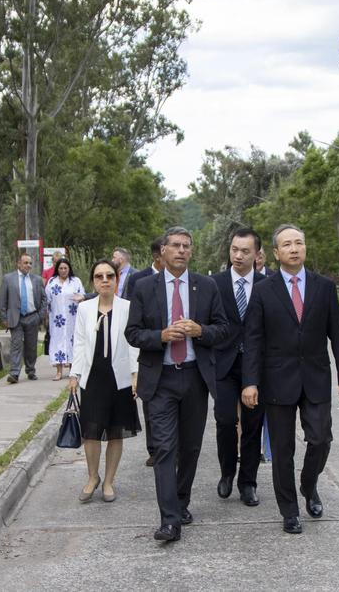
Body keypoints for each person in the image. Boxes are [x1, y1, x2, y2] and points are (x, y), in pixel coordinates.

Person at [242, 224, 339, 534]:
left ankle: (309, 484)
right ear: (276, 253)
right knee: (282, 450)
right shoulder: (263, 290)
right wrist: (249, 381)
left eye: (299, 243)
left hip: (316, 376)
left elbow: (338, 335)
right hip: (277, 380)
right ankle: (289, 510)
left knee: (320, 438)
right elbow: (253, 339)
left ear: (305, 248)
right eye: (287, 245)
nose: (294, 248)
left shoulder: (324, 287)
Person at [125, 226, 229, 543]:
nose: (181, 250)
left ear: (191, 252)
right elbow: (133, 333)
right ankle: (169, 520)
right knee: (164, 448)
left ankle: (180, 502)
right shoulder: (144, 287)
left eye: (187, 245)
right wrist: (160, 336)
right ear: (163, 251)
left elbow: (223, 330)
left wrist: (199, 331)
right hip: (161, 380)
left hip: (196, 377)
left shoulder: (206, 286)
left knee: (191, 448)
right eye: (175, 245)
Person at [69, 259, 141, 503]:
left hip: (119, 379)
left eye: (110, 275)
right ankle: (92, 477)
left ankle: (109, 481)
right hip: (93, 377)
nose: (105, 280)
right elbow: (79, 342)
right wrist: (74, 374)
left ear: (117, 279)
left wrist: (135, 374)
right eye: (99, 276)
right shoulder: (85, 309)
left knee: (115, 432)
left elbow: (134, 343)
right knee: (90, 431)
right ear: (93, 281)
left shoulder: (128, 308)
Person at [211, 228, 266, 507]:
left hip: (256, 367)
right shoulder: (215, 284)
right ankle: (227, 473)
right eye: (234, 249)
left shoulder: (268, 284)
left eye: (245, 251)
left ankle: (248, 483)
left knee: (253, 425)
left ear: (257, 254)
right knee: (224, 421)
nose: (238, 255)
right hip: (223, 364)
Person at [125, 236, 165, 466]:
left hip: (174, 351)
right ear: (157, 256)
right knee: (150, 402)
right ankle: (153, 448)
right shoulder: (138, 280)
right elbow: (134, 319)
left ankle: (172, 448)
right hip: (148, 349)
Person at [0, 254, 47, 382]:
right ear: (18, 264)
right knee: (16, 345)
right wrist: (4, 318)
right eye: (25, 263)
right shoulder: (8, 279)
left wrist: (40, 316)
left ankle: (31, 370)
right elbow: (2, 300)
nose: (28, 265)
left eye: (30, 263)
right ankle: (14, 373)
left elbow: (44, 299)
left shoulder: (36, 279)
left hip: (32, 317)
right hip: (15, 318)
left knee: (31, 346)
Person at [44, 257, 84, 381]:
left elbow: (83, 296)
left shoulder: (75, 281)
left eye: (65, 268)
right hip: (57, 320)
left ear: (69, 269)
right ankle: (59, 372)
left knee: (73, 342)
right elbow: (46, 300)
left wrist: (81, 298)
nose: (63, 270)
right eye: (60, 268)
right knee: (57, 342)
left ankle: (73, 371)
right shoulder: (52, 282)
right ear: (57, 269)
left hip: (73, 318)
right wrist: (45, 317)